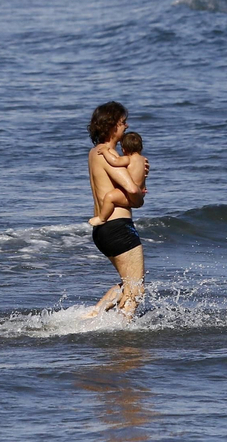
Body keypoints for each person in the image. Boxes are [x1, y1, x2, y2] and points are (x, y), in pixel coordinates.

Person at [84, 101, 147, 321]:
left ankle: (94, 314)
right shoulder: (107, 153)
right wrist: (139, 193)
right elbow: (132, 191)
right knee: (136, 289)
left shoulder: (95, 153)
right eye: (122, 122)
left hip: (104, 230)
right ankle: (125, 336)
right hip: (118, 228)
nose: (126, 126)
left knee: (128, 283)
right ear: (111, 126)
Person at [88, 131, 148, 226]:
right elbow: (142, 177)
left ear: (124, 150)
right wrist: (143, 189)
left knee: (109, 197)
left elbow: (115, 161)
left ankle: (102, 218)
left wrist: (105, 151)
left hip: (128, 195)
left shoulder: (128, 159)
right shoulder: (143, 160)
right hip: (139, 191)